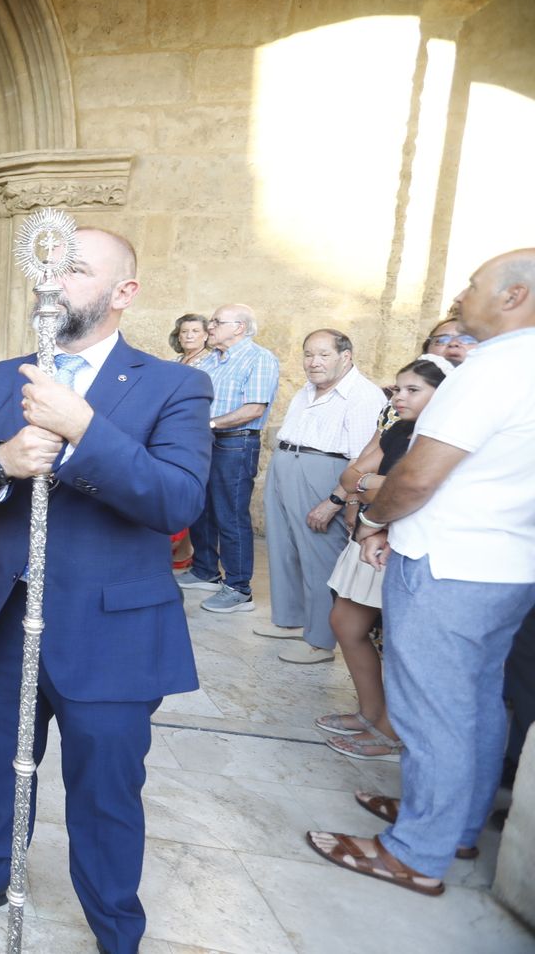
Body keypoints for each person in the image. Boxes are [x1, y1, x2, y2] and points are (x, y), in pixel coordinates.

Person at [0, 228, 212, 951]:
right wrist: (0, 461)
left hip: (112, 630)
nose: (53, 283)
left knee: (106, 791)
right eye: (48, 267)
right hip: (4, 616)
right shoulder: (0, 379)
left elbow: (177, 501)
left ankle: (114, 921)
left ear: (124, 294)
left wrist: (83, 429)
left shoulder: (174, 385)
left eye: (76, 269)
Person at [309, 248, 535, 896]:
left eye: (474, 284)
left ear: (515, 296)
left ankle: (417, 850)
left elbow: (420, 473)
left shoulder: (494, 368)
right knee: (477, 701)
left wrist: (376, 520)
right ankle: (453, 824)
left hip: (451, 562)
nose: (462, 295)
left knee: (433, 706)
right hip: (507, 560)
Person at [318, 356, 450, 760]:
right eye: (397, 388)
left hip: (404, 539)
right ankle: (371, 713)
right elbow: (352, 477)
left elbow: (417, 489)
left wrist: (373, 488)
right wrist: (374, 486)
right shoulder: (399, 431)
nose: (399, 396)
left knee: (398, 643)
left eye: (413, 390)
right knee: (344, 620)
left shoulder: (442, 437)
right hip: (373, 533)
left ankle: (392, 730)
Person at [243, 329, 387, 662]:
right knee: (284, 547)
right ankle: (289, 619)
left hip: (325, 472)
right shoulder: (307, 390)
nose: (313, 362)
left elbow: (363, 459)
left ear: (345, 356)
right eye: (308, 354)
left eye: (323, 354)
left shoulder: (363, 395)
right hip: (286, 466)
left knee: (319, 554)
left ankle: (321, 641)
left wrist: (335, 500)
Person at [175, 304, 279, 611]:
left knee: (230, 515)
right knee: (201, 508)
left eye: (217, 322)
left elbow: (254, 409)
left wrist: (209, 423)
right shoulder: (213, 361)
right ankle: (205, 570)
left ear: (239, 328)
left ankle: (238, 588)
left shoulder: (259, 358)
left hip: (235, 444)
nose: (210, 327)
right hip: (206, 442)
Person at [166, 313, 208, 570]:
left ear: (206, 335)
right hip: (174, 431)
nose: (189, 336)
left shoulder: (212, 362)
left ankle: (187, 549)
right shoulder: (173, 362)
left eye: (194, 331)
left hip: (197, 431)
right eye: (184, 332)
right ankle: (179, 548)